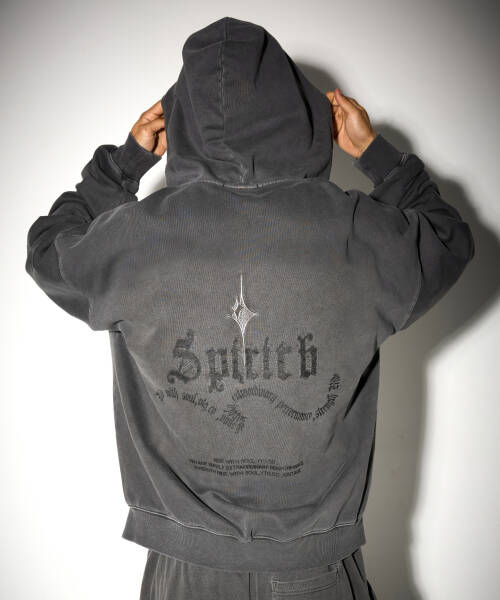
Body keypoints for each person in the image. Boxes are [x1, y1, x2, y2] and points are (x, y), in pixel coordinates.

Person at [25, 16, 475, 600]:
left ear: (181, 119)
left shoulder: (134, 238)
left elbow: (46, 249)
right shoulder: (356, 231)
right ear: (302, 113)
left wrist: (121, 165)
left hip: (184, 575)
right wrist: (377, 155)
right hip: (318, 571)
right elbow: (448, 237)